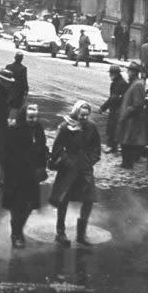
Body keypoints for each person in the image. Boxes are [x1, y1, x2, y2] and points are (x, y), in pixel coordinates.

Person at [48, 100, 101, 247]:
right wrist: (67, 161)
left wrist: (90, 160)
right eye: (81, 114)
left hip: (85, 168)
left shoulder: (91, 126)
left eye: (86, 115)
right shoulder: (65, 127)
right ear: (76, 112)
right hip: (68, 169)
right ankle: (60, 232)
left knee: (89, 200)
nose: (84, 118)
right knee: (63, 200)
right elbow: (57, 148)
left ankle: (81, 234)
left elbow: (96, 148)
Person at [2, 104, 46, 248]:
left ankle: (18, 229)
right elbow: (6, 153)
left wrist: (42, 164)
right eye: (30, 117)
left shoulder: (38, 128)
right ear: (24, 116)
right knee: (16, 206)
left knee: (29, 205)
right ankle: (16, 234)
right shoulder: (14, 130)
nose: (33, 120)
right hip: (16, 175)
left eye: (35, 117)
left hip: (32, 174)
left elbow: (42, 146)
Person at [117, 62, 148, 169]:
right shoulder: (134, 83)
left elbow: (138, 104)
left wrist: (126, 112)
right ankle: (126, 164)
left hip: (132, 120)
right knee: (126, 143)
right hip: (129, 119)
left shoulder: (137, 84)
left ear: (134, 72)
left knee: (129, 143)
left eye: (129, 71)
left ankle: (128, 164)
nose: (127, 73)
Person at [100, 65, 128, 154]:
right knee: (113, 126)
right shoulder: (118, 82)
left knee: (113, 127)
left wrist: (103, 107)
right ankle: (113, 146)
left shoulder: (120, 83)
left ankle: (112, 146)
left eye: (111, 74)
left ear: (115, 74)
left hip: (118, 108)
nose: (110, 76)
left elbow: (113, 98)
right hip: (116, 107)